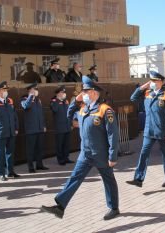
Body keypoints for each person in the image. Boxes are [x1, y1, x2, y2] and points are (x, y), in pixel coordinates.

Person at [41, 76, 120, 220]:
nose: (83, 94)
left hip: (101, 153)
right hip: (85, 153)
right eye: (82, 92)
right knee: (74, 178)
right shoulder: (83, 108)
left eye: (86, 91)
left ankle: (114, 208)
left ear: (95, 92)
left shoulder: (105, 110)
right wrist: (76, 100)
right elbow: (68, 114)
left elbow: (113, 135)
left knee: (108, 180)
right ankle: (60, 206)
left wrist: (112, 156)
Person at [126, 71, 165, 188]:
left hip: (162, 131)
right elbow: (133, 98)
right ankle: (138, 179)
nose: (152, 83)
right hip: (149, 130)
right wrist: (142, 87)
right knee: (143, 154)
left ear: (160, 82)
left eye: (154, 81)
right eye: (151, 81)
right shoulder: (148, 93)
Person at [21, 82, 49, 173]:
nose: (36, 91)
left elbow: (41, 115)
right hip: (31, 130)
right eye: (34, 89)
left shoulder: (38, 100)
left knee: (40, 148)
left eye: (36, 89)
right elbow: (26, 106)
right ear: (30, 90)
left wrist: (43, 125)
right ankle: (30, 167)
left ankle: (39, 165)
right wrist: (31, 96)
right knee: (30, 150)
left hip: (40, 128)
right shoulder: (24, 99)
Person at [50, 85, 74, 165]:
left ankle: (66, 158)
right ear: (58, 93)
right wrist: (58, 100)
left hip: (67, 127)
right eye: (62, 92)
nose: (64, 94)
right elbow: (55, 110)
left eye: (64, 92)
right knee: (59, 145)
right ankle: (60, 160)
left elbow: (69, 113)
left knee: (66, 144)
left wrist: (71, 124)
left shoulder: (66, 101)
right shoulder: (54, 101)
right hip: (59, 128)